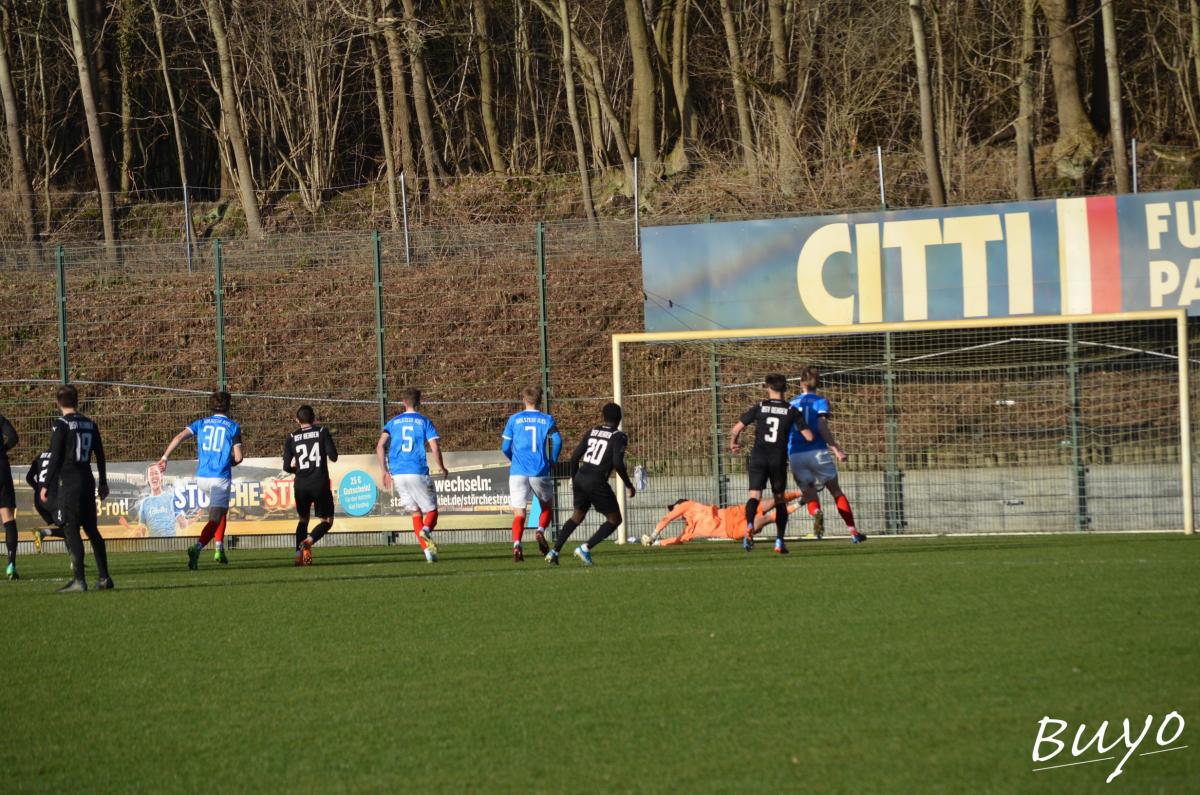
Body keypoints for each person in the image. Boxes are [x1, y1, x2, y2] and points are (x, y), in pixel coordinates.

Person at [158, 390, 244, 569]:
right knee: (214, 518)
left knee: (221, 512)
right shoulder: (233, 426)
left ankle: (219, 548)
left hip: (202, 478)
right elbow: (238, 457)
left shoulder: (202, 423)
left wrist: (165, 457)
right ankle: (197, 547)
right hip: (220, 478)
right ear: (228, 406)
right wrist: (230, 462)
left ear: (211, 406)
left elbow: (180, 436)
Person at [730, 373, 813, 555]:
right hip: (778, 459)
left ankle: (749, 525)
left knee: (754, 496)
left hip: (759, 458)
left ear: (767, 387)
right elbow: (809, 437)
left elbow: (736, 428)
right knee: (779, 500)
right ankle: (779, 541)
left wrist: (733, 443)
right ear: (785, 389)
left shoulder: (760, 407)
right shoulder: (791, 410)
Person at [40, 385, 112, 592]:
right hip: (87, 479)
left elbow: (55, 457)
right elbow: (100, 454)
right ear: (77, 401)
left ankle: (79, 580)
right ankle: (105, 577)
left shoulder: (61, 424)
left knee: (71, 529)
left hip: (70, 482)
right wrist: (104, 482)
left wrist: (45, 485)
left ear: (57, 403)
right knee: (92, 529)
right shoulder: (90, 423)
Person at [546, 402, 635, 566]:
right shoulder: (619, 436)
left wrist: (573, 478)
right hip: (596, 480)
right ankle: (585, 548)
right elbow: (618, 463)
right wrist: (629, 484)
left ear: (603, 417)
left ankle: (554, 551)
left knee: (577, 516)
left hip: (580, 476)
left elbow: (574, 457)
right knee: (615, 520)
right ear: (619, 418)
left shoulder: (592, 431)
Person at [788, 367, 866, 543]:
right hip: (817, 452)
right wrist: (836, 449)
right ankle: (853, 532)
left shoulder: (791, 403)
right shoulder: (821, 402)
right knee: (836, 491)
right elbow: (822, 426)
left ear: (800, 383)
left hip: (796, 453)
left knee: (808, 492)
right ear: (819, 383)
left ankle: (816, 512)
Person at [376, 388, 447, 563]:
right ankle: (427, 531)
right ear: (419, 402)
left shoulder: (392, 422)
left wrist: (384, 470)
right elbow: (435, 447)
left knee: (415, 513)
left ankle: (428, 552)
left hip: (398, 473)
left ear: (403, 402)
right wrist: (442, 467)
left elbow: (379, 446)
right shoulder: (424, 421)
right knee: (432, 511)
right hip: (417, 471)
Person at [500, 386, 562, 562]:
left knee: (519, 513)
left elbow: (505, 447)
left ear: (523, 400)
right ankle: (540, 531)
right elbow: (558, 441)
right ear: (540, 401)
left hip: (518, 472)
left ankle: (517, 544)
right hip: (539, 470)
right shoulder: (547, 419)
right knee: (546, 507)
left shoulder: (514, 419)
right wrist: (553, 460)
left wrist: (514, 459)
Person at [283, 405, 339, 566]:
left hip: (300, 484)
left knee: (303, 520)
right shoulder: (322, 432)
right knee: (327, 521)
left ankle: (298, 555)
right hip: (319, 483)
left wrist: (299, 470)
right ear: (314, 418)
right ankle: (309, 540)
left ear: (296, 420)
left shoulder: (291, 437)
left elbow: (286, 467)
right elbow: (333, 456)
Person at [646, 492, 803, 547]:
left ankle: (798, 494)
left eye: (674, 507)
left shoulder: (686, 505)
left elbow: (667, 518)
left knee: (767, 506)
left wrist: (654, 535)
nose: (674, 509)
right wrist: (659, 543)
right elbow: (677, 539)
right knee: (765, 518)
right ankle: (799, 502)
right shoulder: (688, 531)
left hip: (731, 514)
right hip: (732, 530)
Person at [118, 463, 190, 537]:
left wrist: (193, 517)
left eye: (156, 473)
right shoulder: (145, 503)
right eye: (151, 474)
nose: (154, 476)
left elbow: (183, 524)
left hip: (171, 546)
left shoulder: (171, 498)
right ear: (147, 479)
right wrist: (130, 528)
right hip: (153, 546)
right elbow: (141, 533)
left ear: (161, 476)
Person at [0, 411, 19, 579]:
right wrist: (2, 449)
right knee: (7, 517)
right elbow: (13, 437)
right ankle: (11, 564)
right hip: (1, 468)